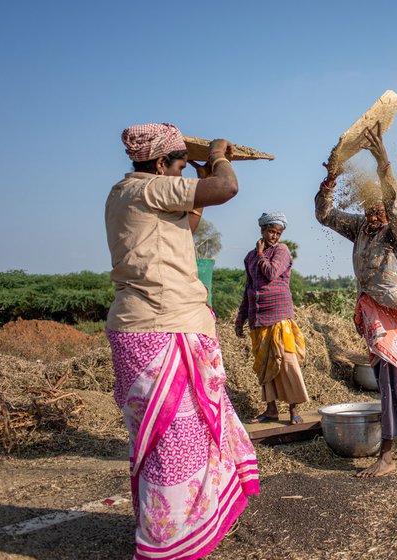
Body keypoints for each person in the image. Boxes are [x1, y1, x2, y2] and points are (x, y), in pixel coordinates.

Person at [105, 123, 259, 559]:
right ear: (158, 165)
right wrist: (216, 157)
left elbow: (187, 226)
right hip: (161, 328)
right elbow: (225, 187)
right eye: (177, 168)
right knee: (174, 443)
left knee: (176, 439)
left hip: (149, 328)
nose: (181, 177)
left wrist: (194, 180)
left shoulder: (127, 193)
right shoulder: (149, 189)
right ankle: (166, 541)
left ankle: (183, 526)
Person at [315, 124, 397, 477]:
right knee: (396, 377)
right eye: (368, 207)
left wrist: (384, 164)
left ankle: (387, 455)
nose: (373, 213)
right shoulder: (361, 229)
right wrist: (331, 180)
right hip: (373, 311)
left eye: (378, 207)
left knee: (393, 379)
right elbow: (325, 215)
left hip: (395, 312)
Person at [234, 212, 309, 425]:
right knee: (264, 365)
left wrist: (260, 254)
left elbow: (272, 273)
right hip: (258, 318)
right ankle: (271, 410)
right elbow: (248, 290)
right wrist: (240, 319)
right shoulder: (249, 257)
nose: (274, 236)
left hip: (279, 316)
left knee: (286, 362)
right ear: (262, 230)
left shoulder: (281, 251)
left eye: (277, 233)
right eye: (270, 231)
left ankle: (294, 409)